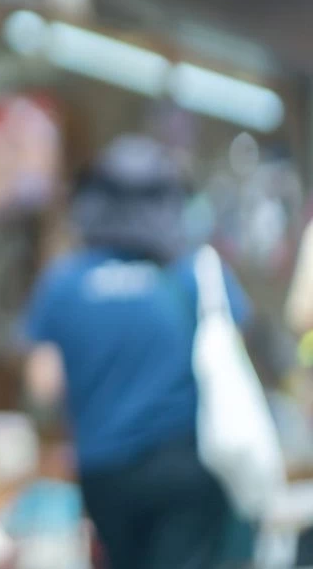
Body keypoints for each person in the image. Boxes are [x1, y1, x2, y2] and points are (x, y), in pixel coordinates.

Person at [22, 135, 252, 569]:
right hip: (187, 468)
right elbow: (233, 359)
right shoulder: (197, 274)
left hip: (103, 471)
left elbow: (44, 385)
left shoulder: (64, 281)